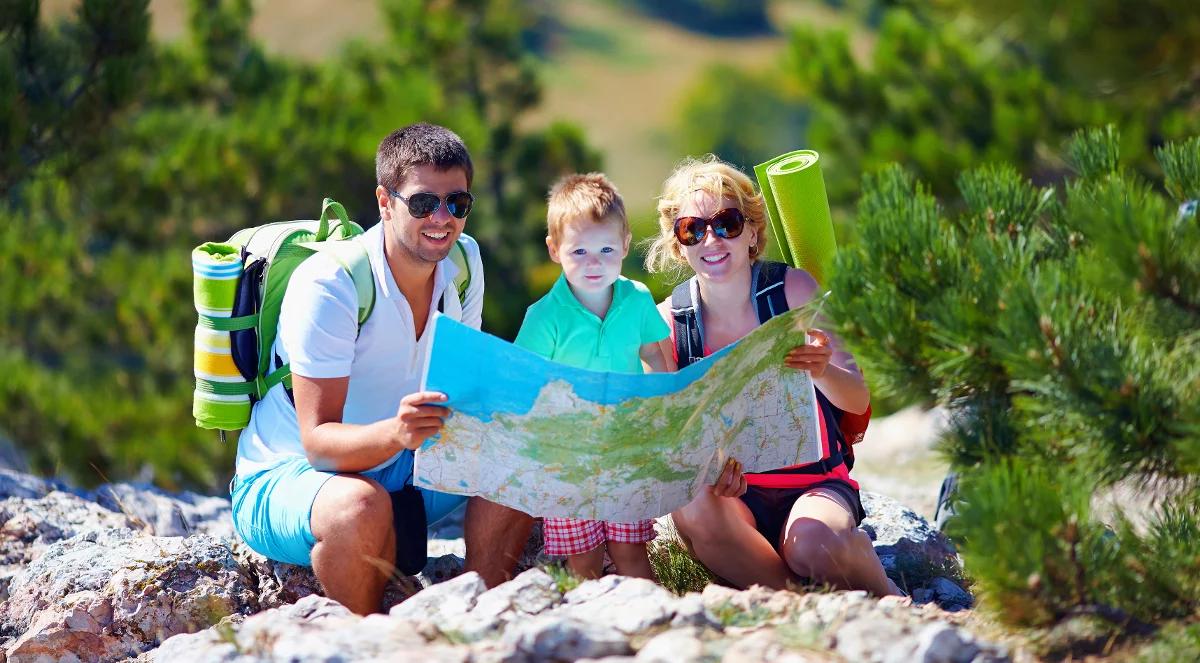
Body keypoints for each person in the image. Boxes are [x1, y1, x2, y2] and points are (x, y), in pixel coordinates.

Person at [229, 123, 486, 614]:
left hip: (401, 463)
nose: (442, 218)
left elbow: (461, 385)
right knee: (359, 507)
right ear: (384, 202)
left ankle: (491, 621)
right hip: (288, 473)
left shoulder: (465, 263)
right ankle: (364, 640)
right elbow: (319, 444)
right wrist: (398, 434)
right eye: (422, 203)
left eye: (458, 204)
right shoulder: (332, 284)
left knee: (523, 465)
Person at [644, 155, 902, 596]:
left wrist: (822, 371)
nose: (711, 239)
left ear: (752, 232)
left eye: (726, 222)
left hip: (815, 483)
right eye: (693, 228)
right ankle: (795, 602)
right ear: (678, 244)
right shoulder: (666, 323)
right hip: (732, 499)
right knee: (689, 502)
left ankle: (890, 597)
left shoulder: (794, 291)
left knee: (815, 548)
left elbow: (857, 401)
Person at [511, 173, 673, 580]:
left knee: (630, 550)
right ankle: (590, 627)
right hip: (568, 455)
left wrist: (658, 405)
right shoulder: (544, 317)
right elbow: (525, 383)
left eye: (605, 249)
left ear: (624, 244)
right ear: (554, 249)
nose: (594, 262)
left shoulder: (635, 299)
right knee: (582, 559)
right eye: (579, 251)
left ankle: (647, 622)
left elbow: (653, 353)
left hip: (626, 446)